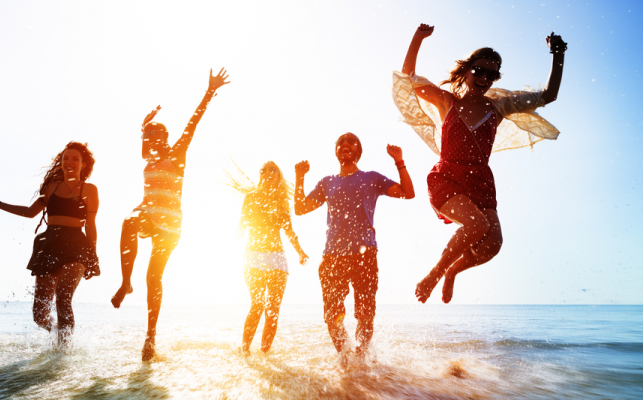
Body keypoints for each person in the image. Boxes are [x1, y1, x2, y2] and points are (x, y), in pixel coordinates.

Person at [392, 24, 567, 304]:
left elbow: (548, 95)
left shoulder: (498, 108)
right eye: (479, 71)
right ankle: (434, 275)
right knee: (475, 225)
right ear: (466, 71)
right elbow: (408, 77)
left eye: (492, 73)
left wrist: (558, 54)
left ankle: (452, 272)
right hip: (447, 176)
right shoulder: (446, 101)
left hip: (480, 180)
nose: (485, 77)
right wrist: (417, 38)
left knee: (492, 244)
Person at [111, 68, 230, 361]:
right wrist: (144, 125)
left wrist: (209, 92)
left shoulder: (176, 153)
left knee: (154, 277)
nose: (153, 142)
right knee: (128, 221)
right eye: (149, 139)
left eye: (157, 137)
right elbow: (144, 146)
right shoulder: (149, 157)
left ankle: (150, 337)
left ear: (166, 138)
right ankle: (126, 282)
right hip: (149, 215)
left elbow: (193, 122)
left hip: (171, 226)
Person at [294, 133, 414, 355]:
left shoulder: (372, 178)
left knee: (365, 315)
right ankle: (346, 359)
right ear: (337, 152)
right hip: (332, 257)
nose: (345, 145)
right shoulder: (327, 182)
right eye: (340, 143)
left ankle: (360, 360)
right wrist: (299, 176)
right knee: (332, 317)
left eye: (351, 142)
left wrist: (399, 161)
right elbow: (300, 208)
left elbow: (408, 193)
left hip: (365, 255)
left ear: (358, 151)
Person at [0, 142, 100, 345]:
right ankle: (56, 333)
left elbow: (91, 225)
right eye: (65, 158)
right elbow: (29, 212)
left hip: (77, 244)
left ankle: (64, 351)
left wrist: (92, 255)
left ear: (84, 163)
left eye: (75, 159)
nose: (69, 162)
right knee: (39, 314)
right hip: (49, 243)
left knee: (63, 297)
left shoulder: (89, 189)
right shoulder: (51, 187)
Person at [230, 161, 309, 354]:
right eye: (265, 169)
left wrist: (300, 251)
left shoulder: (282, 201)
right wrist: (238, 231)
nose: (269, 172)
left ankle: (265, 356)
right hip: (253, 256)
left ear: (278, 175)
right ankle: (245, 351)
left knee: (272, 311)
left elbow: (289, 231)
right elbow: (240, 227)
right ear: (261, 174)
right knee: (257, 304)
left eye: (273, 169)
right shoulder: (250, 198)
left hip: (277, 258)